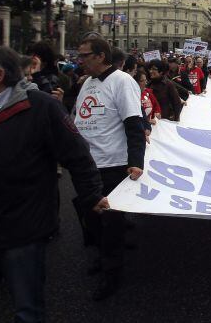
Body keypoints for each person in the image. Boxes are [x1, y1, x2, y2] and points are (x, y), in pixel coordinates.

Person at [0, 47, 107, 322]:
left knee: (27, 311)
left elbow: (77, 156)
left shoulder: (41, 108)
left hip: (22, 231)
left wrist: (92, 196)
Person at [73, 37, 145, 301]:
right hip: (86, 165)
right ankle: (103, 257)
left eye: (84, 55)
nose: (79, 60)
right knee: (89, 218)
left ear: (101, 56)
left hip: (112, 164)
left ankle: (112, 273)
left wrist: (136, 161)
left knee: (111, 223)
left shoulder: (123, 82)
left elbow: (133, 124)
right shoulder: (87, 84)